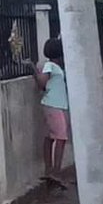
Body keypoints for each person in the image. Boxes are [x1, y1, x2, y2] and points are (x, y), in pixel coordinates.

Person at [32, 38, 71, 189]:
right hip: (52, 105)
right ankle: (56, 171)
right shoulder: (49, 65)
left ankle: (49, 170)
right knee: (61, 137)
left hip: (57, 105)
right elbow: (42, 83)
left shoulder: (57, 67)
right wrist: (34, 70)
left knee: (51, 137)